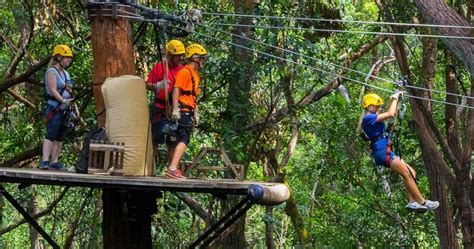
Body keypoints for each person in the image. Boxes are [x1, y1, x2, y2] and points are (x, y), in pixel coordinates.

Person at [361, 92, 439, 212]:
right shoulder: (368, 118)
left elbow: (392, 114)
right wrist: (394, 98)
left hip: (385, 150)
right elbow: (390, 113)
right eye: (378, 106)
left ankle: (412, 202)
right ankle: (423, 202)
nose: (379, 109)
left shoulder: (372, 120)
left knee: (412, 173)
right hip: (382, 151)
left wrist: (396, 103)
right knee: (406, 174)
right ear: (370, 107)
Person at [165, 43, 208, 179]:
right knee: (184, 137)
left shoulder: (195, 75)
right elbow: (176, 90)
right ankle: (172, 168)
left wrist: (196, 111)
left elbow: (194, 96)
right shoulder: (185, 72)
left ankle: (173, 168)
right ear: (195, 58)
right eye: (201, 58)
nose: (203, 61)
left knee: (178, 138)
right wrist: (176, 108)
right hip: (182, 109)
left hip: (189, 109)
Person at [146, 39, 185, 162]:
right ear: (170, 55)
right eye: (178, 56)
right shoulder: (160, 67)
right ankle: (150, 167)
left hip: (175, 110)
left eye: (181, 56)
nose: (180, 58)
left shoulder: (182, 69)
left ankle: (172, 169)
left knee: (174, 140)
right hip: (160, 108)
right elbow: (147, 85)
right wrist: (158, 85)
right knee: (155, 139)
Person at [40, 45, 74, 170]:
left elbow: (70, 91)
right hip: (54, 108)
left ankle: (54, 161)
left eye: (70, 58)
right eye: (66, 58)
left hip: (65, 108)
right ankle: (44, 160)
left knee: (60, 136)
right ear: (58, 57)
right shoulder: (51, 72)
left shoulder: (66, 74)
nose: (69, 60)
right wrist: (64, 101)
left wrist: (72, 106)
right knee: (51, 133)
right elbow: (54, 90)